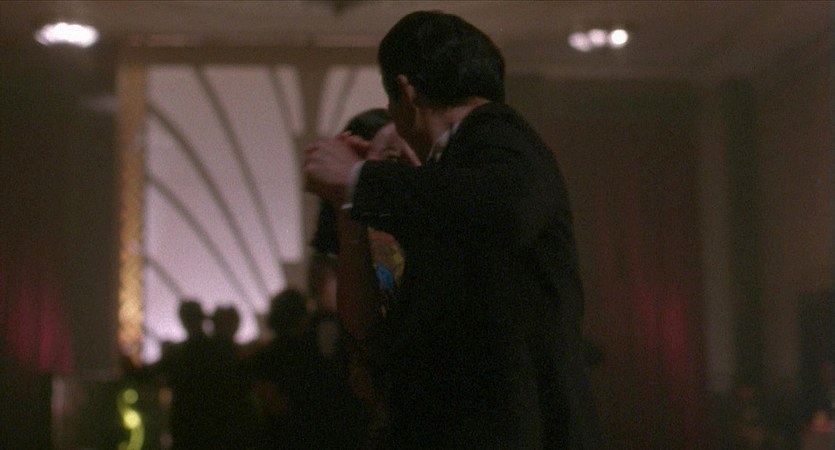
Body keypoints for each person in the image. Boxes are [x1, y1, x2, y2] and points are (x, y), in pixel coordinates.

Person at [304, 10, 603, 449]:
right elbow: (371, 326)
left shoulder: (497, 131)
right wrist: (351, 203)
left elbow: (509, 207)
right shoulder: (462, 165)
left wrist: (358, 180)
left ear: (406, 92)